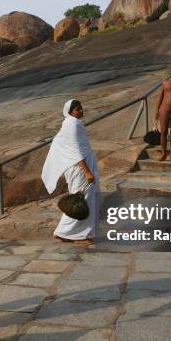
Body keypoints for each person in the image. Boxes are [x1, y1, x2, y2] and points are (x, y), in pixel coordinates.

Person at [41, 99, 98, 244]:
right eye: (78, 109)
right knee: (80, 199)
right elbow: (75, 151)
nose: (81, 111)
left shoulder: (71, 124)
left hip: (82, 164)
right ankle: (65, 232)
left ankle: (82, 233)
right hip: (80, 168)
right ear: (70, 112)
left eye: (81, 108)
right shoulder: (72, 125)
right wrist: (87, 172)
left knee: (86, 198)